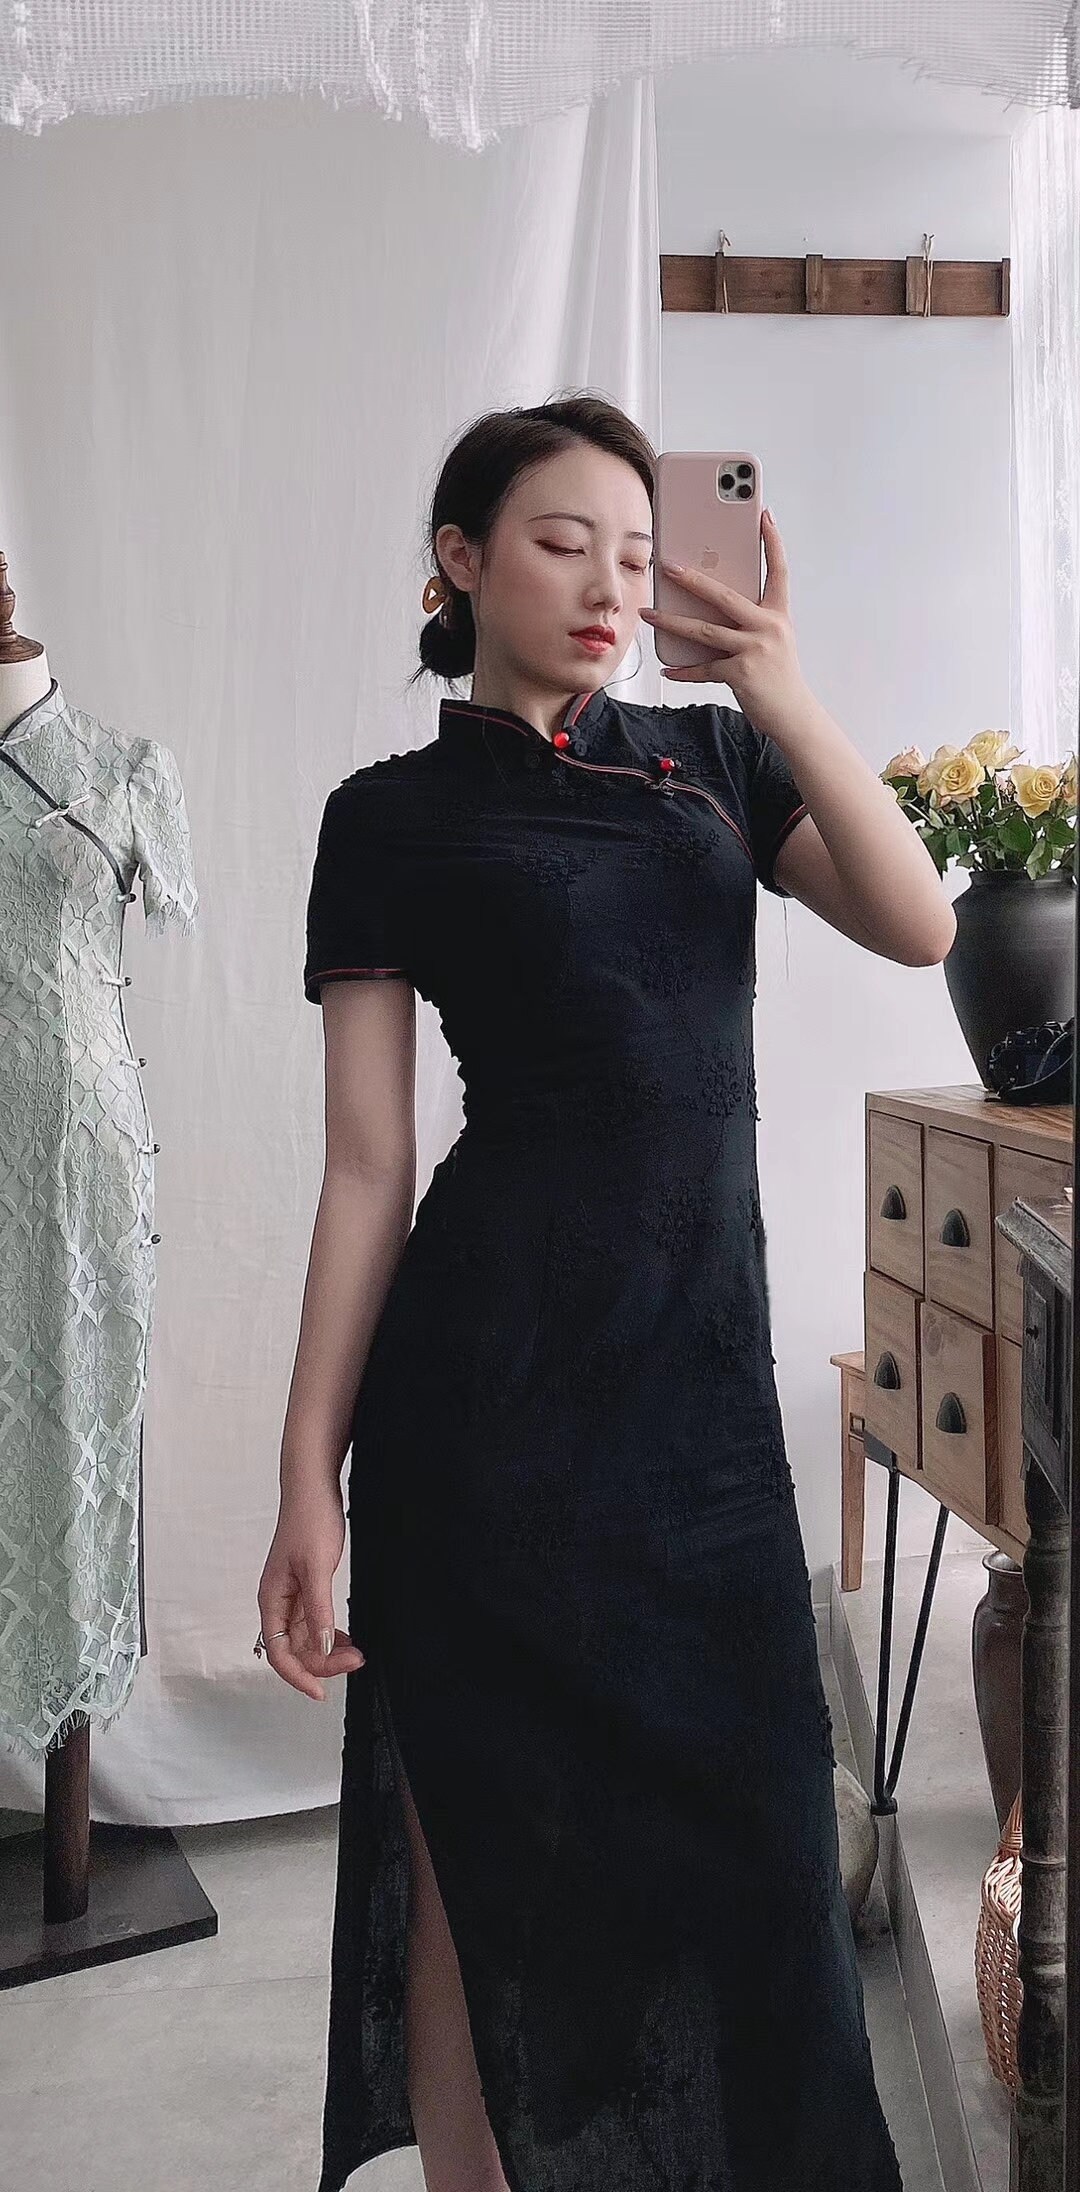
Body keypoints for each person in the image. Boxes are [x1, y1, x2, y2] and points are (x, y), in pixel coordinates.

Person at [258, 392, 953, 2192]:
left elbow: (921, 922)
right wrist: (306, 1474)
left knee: (762, 1877)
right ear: (461, 559)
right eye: (564, 545)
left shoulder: (715, 763)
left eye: (637, 558)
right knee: (479, 1875)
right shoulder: (386, 818)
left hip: (701, 1426)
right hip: (485, 1422)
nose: (609, 590)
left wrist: (779, 685)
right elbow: (367, 1169)